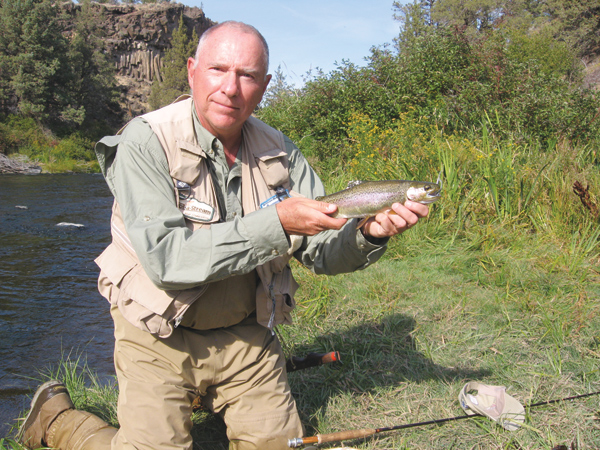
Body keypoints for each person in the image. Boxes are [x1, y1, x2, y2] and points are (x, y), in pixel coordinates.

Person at [17, 21, 429, 450]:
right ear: (192, 71)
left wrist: (368, 235)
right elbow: (167, 261)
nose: (231, 88)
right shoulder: (144, 141)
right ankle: (58, 419)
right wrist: (278, 223)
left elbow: (322, 253)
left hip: (246, 336)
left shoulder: (281, 153)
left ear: (264, 85)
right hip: (156, 336)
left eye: (247, 75)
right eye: (218, 70)